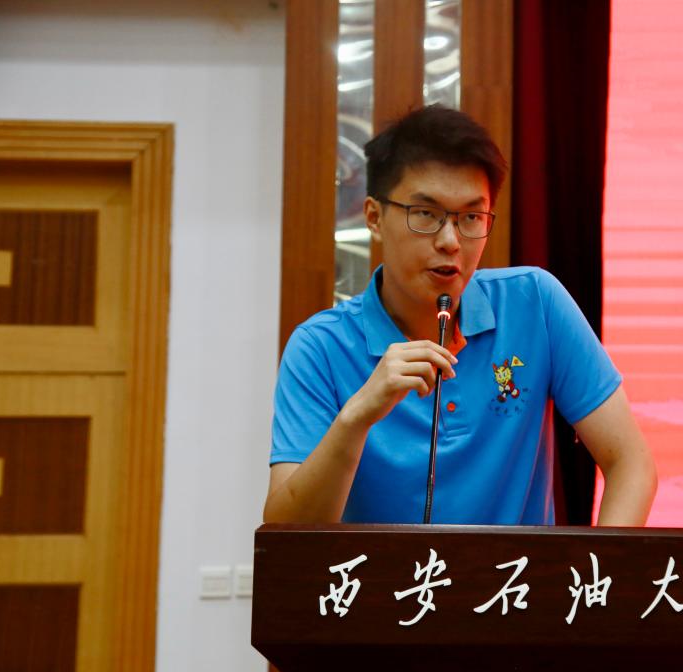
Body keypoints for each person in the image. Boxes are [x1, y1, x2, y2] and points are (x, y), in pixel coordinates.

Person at [263, 105, 656, 526]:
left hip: (517, 573)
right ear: (375, 218)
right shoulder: (319, 348)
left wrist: (594, 568)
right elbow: (286, 532)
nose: (450, 241)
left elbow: (631, 464)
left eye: (471, 217)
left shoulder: (535, 304)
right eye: (426, 214)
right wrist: (357, 417)